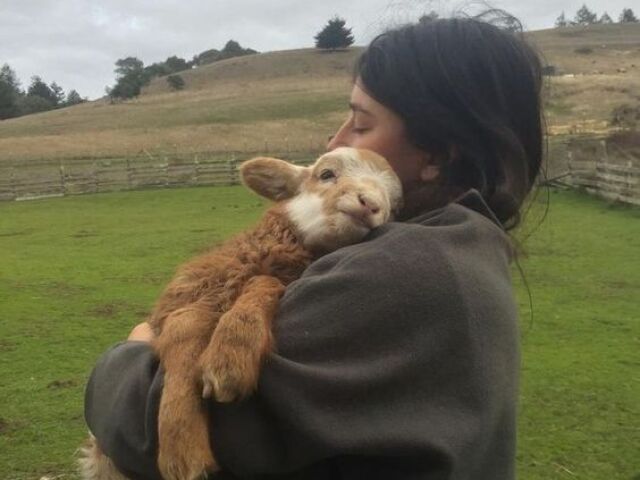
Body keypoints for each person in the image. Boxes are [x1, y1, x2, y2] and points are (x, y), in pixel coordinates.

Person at [84, 13, 543, 480]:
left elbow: (160, 429)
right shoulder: (464, 248)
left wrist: (130, 352)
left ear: (438, 155)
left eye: (361, 125)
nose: (336, 139)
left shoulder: (404, 271)